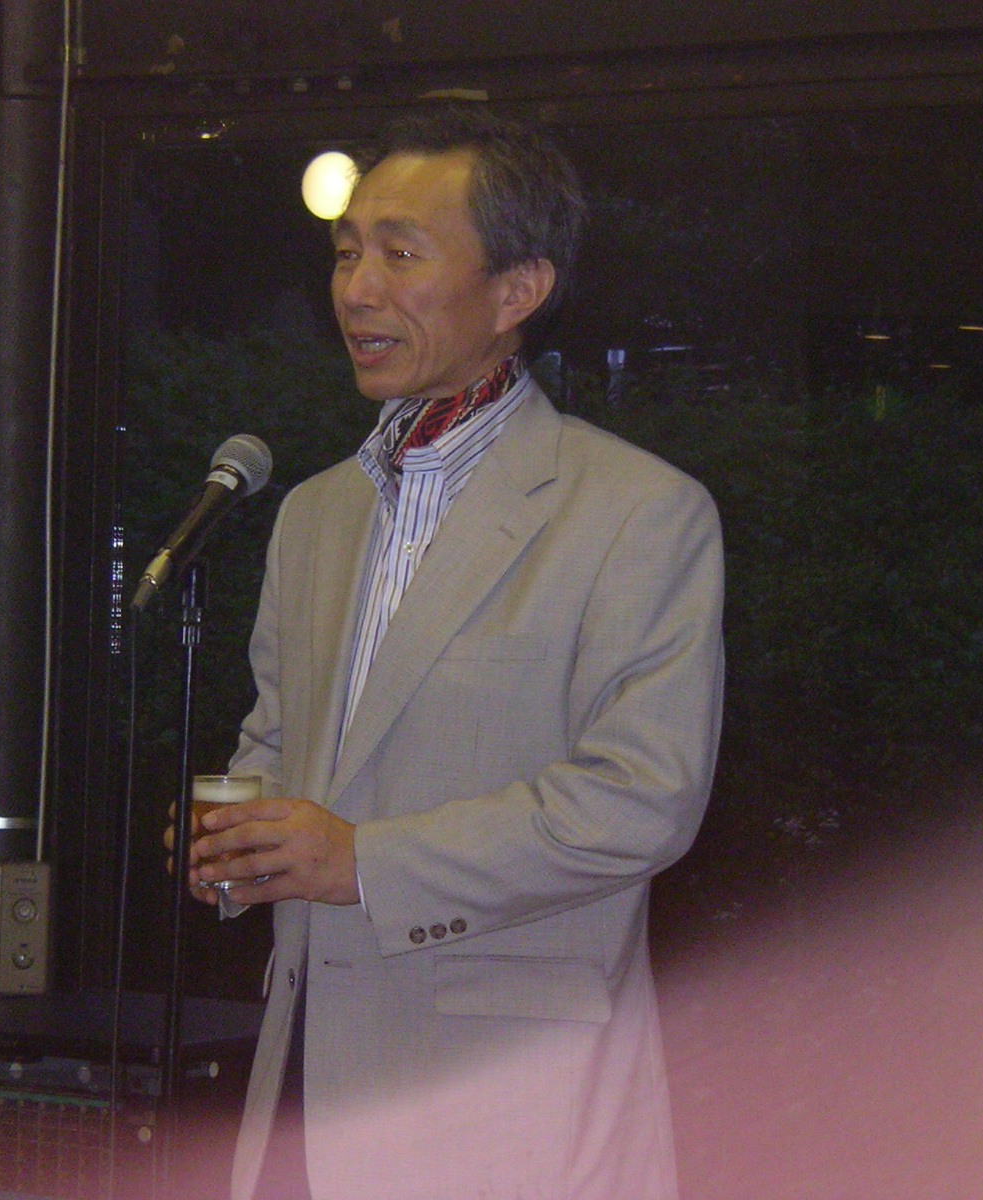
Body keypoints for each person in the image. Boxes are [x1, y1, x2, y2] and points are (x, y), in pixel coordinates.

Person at [180, 107, 725, 1200]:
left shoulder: (636, 511)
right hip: (299, 1085)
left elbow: (641, 800)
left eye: (399, 254)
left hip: (512, 1106)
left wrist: (362, 862)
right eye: (346, 254)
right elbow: (276, 744)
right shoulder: (314, 514)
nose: (355, 290)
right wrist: (241, 842)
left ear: (517, 290)